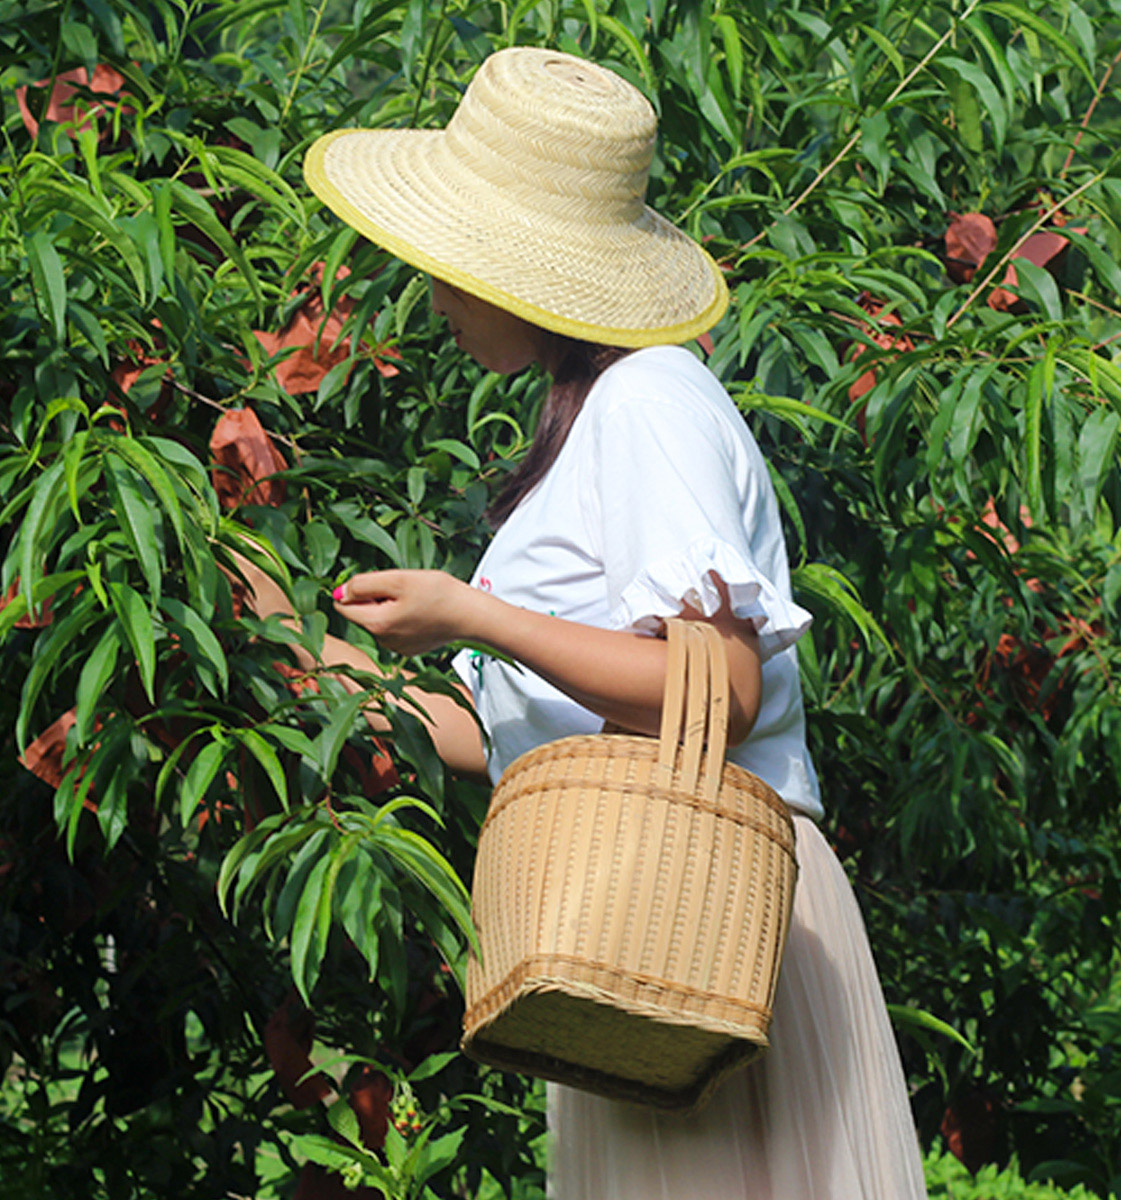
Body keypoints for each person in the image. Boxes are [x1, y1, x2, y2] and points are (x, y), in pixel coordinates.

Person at [249, 45, 928, 1199]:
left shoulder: (649, 399)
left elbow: (719, 688)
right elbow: (496, 735)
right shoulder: (590, 424)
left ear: (521, 269)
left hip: (707, 917)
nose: (435, 294)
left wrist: (477, 611)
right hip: (626, 922)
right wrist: (290, 650)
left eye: (451, 265)